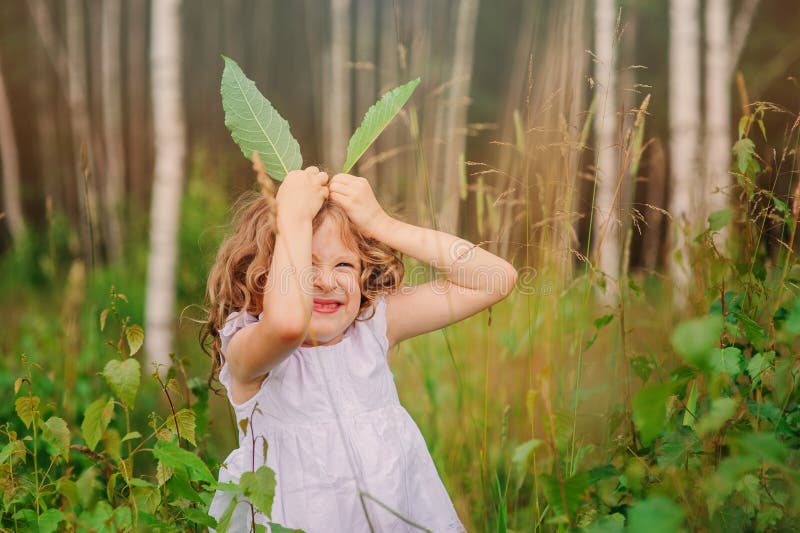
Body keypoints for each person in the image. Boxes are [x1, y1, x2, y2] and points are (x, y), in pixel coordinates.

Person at [204, 166, 517, 532]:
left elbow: (496, 279)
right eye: (305, 264)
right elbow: (287, 325)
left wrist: (382, 224)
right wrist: (291, 216)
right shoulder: (249, 350)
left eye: (343, 264)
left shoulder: (372, 327)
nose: (325, 280)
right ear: (261, 276)